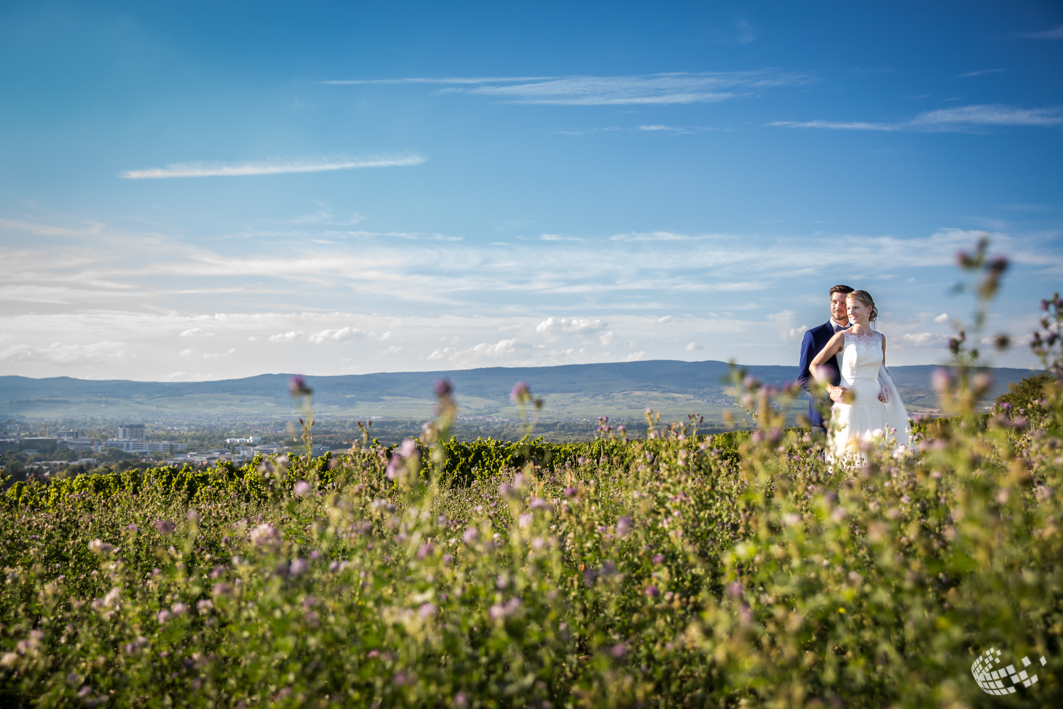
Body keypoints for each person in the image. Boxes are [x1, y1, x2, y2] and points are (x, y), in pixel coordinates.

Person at [810, 290, 910, 462]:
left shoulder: (880, 339)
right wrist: (831, 389)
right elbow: (814, 365)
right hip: (849, 402)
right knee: (847, 455)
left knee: (876, 455)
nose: (850, 312)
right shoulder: (842, 337)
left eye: (855, 307)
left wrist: (885, 386)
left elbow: (881, 370)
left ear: (869, 309)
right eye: (849, 308)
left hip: (876, 403)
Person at [797, 285, 854, 433]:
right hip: (823, 417)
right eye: (834, 302)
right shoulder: (814, 335)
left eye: (843, 303)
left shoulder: (859, 336)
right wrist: (830, 392)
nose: (837, 306)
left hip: (855, 414)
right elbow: (803, 378)